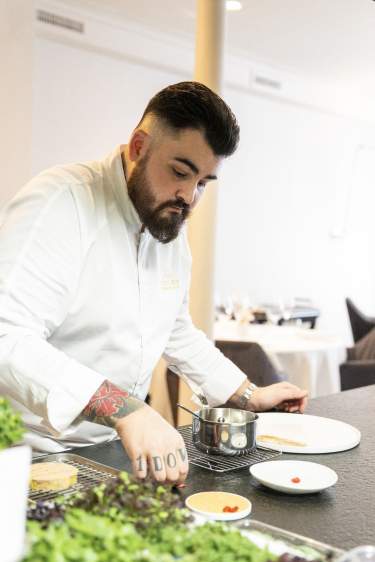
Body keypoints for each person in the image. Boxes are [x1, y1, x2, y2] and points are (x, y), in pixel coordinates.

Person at [0, 81, 307, 483]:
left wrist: (248, 394)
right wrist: (125, 408)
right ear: (138, 146)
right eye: (180, 172)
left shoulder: (166, 223)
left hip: (107, 453)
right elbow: (7, 336)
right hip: (27, 457)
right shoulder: (61, 201)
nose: (189, 197)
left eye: (203, 183)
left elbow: (174, 329)